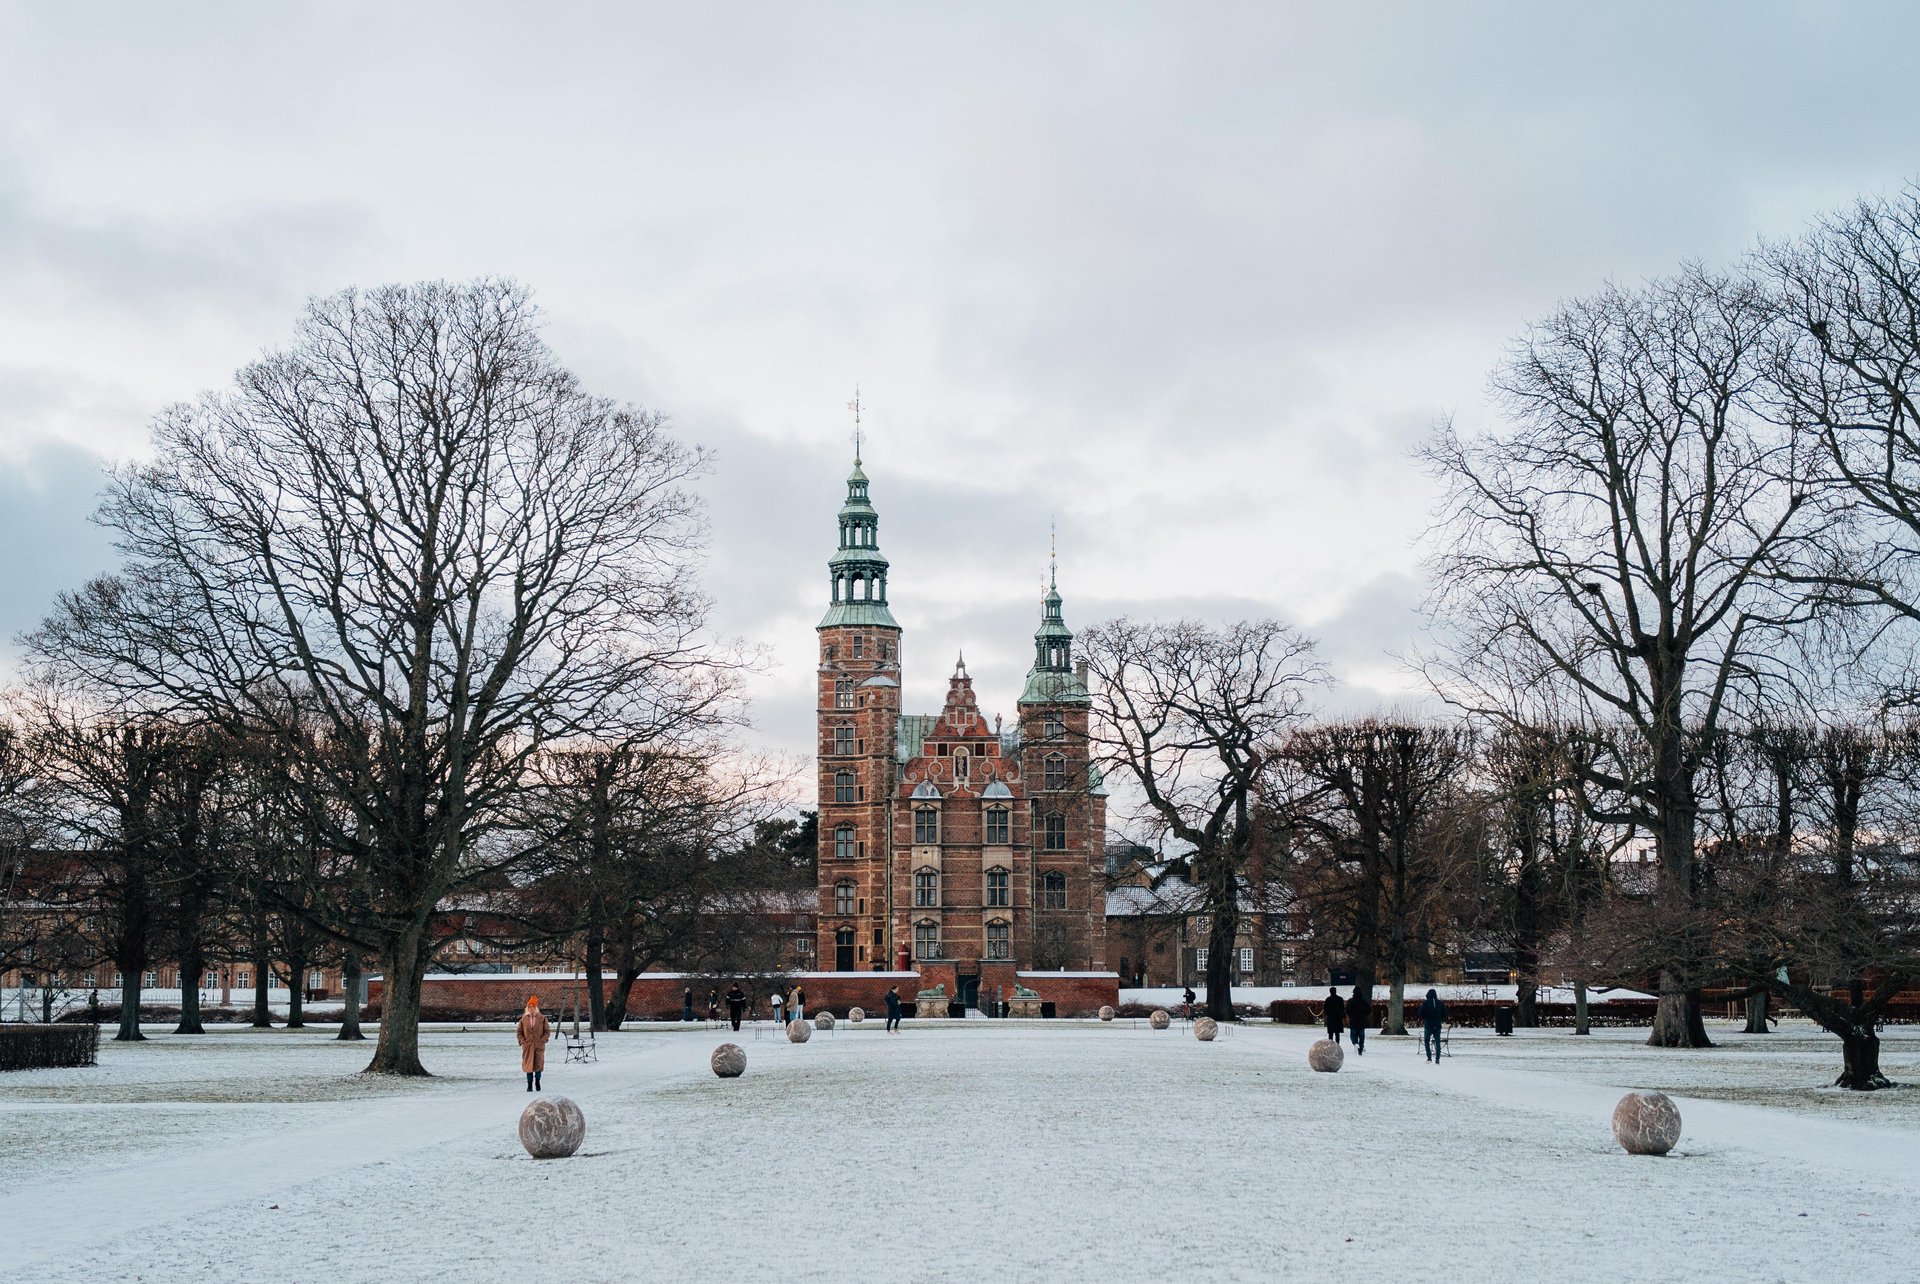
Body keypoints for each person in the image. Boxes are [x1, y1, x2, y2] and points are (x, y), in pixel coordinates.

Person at [517, 995, 550, 1092]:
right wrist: (523, 1041)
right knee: (528, 1065)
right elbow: (519, 1032)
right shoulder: (523, 1019)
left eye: (533, 1007)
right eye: (529, 1007)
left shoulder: (542, 1018)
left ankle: (538, 1082)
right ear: (527, 1008)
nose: (531, 1009)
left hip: (538, 1045)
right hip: (528, 1046)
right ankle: (529, 1085)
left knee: (538, 1065)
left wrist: (542, 1040)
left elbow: (547, 1031)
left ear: (536, 1008)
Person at [1420, 987, 1448, 1063]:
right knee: (1437, 1041)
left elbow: (1421, 1012)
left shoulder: (1425, 1003)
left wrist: (1425, 1017)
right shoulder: (1440, 1003)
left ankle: (1429, 1057)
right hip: (1437, 1024)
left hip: (1428, 1024)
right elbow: (1445, 1013)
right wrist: (1440, 1018)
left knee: (1426, 1041)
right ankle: (1437, 1058)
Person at [1348, 986, 1371, 1056]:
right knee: (1361, 1036)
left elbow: (1348, 1010)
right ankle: (1361, 1048)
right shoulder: (1364, 1001)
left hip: (1353, 1020)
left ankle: (1355, 1043)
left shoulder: (1351, 1001)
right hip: (1362, 1020)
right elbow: (1369, 1010)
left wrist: (1351, 1016)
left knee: (1353, 1034)